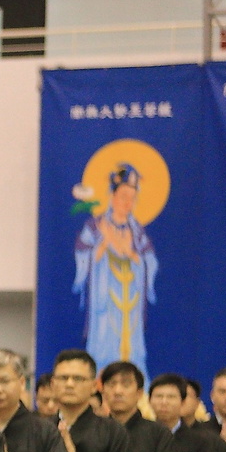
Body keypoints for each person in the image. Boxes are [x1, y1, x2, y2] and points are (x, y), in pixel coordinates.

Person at [74, 163, 159, 380]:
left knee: (132, 349)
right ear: (112, 197)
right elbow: (84, 255)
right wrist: (103, 245)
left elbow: (149, 260)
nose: (127, 203)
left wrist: (131, 255)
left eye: (132, 198)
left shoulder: (136, 230)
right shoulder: (95, 226)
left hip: (130, 304)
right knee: (103, 342)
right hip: (105, 301)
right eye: (123, 197)